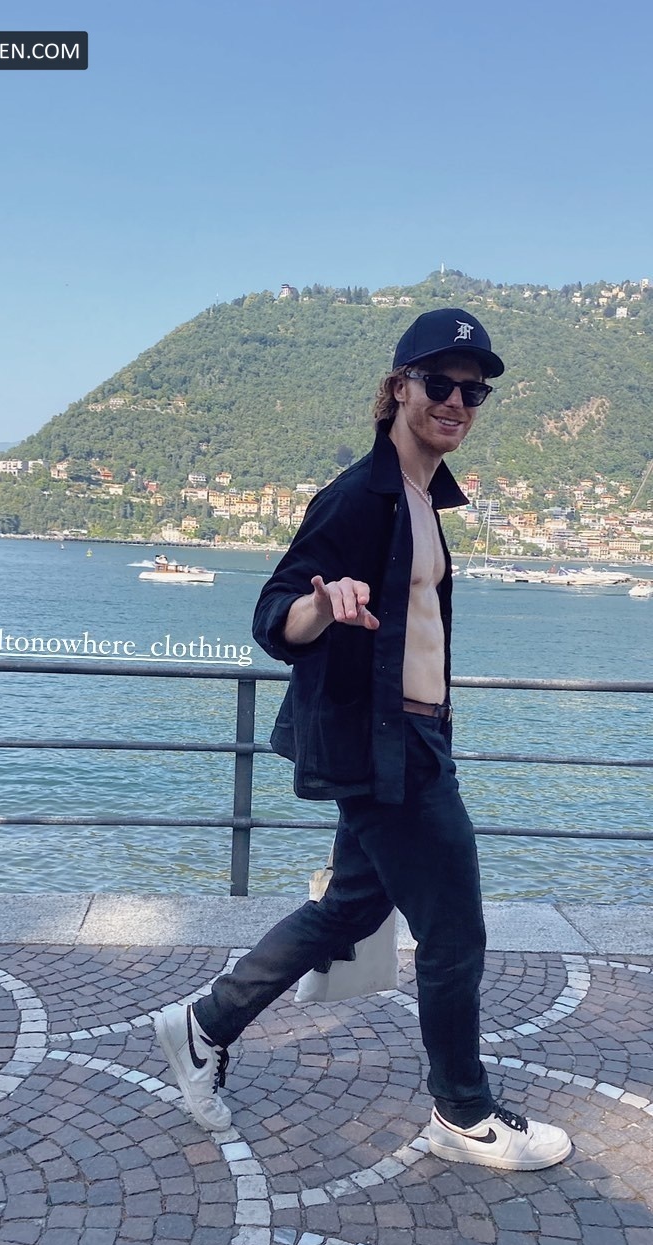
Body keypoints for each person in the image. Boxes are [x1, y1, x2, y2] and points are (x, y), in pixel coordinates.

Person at [155, 308, 572, 1172]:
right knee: (455, 936)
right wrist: (320, 604)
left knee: (349, 908)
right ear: (398, 388)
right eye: (440, 383)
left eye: (473, 391)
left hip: (414, 739)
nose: (456, 402)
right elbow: (274, 616)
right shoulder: (358, 498)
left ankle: (204, 1024)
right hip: (388, 752)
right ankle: (463, 1113)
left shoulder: (423, 497)